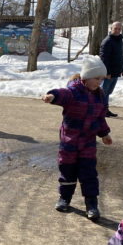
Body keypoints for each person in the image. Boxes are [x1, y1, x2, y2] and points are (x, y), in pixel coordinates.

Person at [42, 55, 112, 221]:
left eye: (102, 79)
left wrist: (104, 134)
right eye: (97, 78)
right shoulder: (74, 92)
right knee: (67, 171)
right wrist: (52, 96)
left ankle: (91, 204)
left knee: (89, 173)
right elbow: (63, 94)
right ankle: (64, 198)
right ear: (86, 77)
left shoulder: (100, 97)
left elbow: (100, 118)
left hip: (88, 143)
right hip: (69, 142)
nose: (99, 82)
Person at [99, 21, 123, 118]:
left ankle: (105, 109)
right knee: (102, 92)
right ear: (111, 29)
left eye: (119, 29)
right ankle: (99, 109)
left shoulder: (119, 40)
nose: (117, 30)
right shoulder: (107, 41)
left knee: (108, 92)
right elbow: (104, 58)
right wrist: (107, 72)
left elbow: (121, 56)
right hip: (108, 73)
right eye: (115, 28)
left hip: (116, 71)